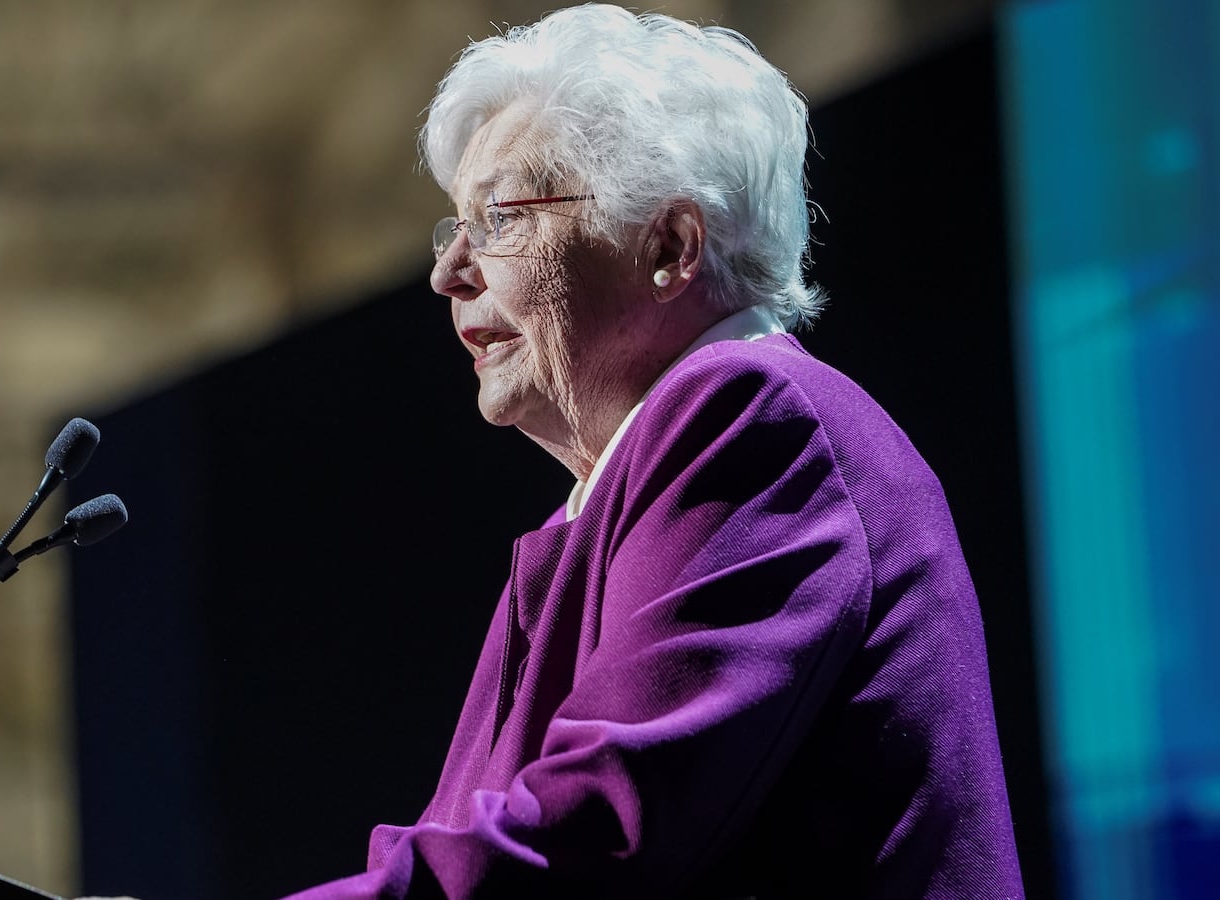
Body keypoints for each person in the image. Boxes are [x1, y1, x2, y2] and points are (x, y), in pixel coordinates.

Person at [287, 5, 1023, 898]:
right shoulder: (617, 496)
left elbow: (601, 827)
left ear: (670, 246)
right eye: (456, 228)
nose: (449, 274)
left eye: (502, 218)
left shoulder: (755, 419)